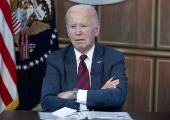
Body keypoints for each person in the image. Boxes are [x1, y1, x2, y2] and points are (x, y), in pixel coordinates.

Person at [41, 4, 128, 112]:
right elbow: (47, 102)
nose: (78, 32)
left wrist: (74, 94)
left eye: (83, 26)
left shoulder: (113, 57)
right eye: (73, 26)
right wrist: (90, 102)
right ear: (67, 31)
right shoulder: (56, 59)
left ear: (96, 30)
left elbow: (117, 97)